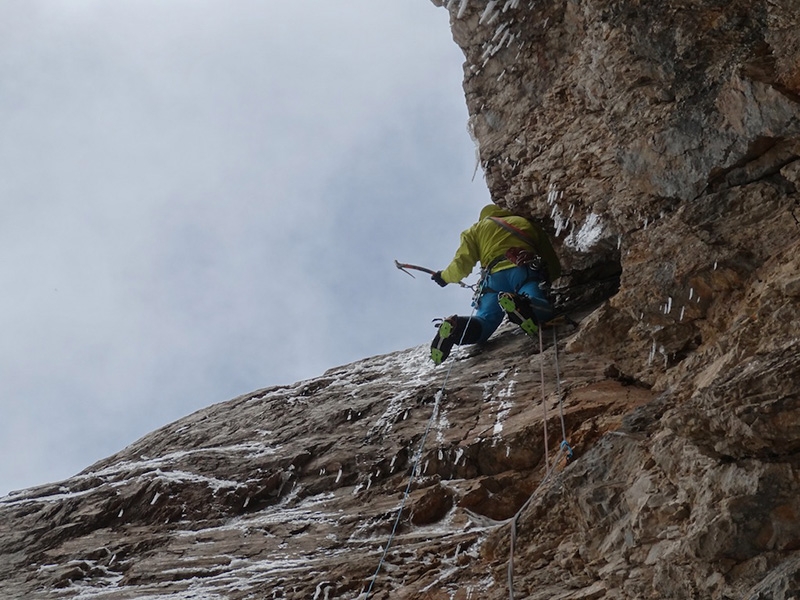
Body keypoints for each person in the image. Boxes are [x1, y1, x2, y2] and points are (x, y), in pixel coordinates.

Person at [429, 203, 562, 365]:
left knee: (484, 321)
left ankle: (455, 327)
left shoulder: (475, 230)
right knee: (537, 302)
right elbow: (549, 257)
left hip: (492, 280)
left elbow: (462, 261)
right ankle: (520, 303)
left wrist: (444, 277)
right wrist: (553, 276)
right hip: (523, 270)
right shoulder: (522, 222)